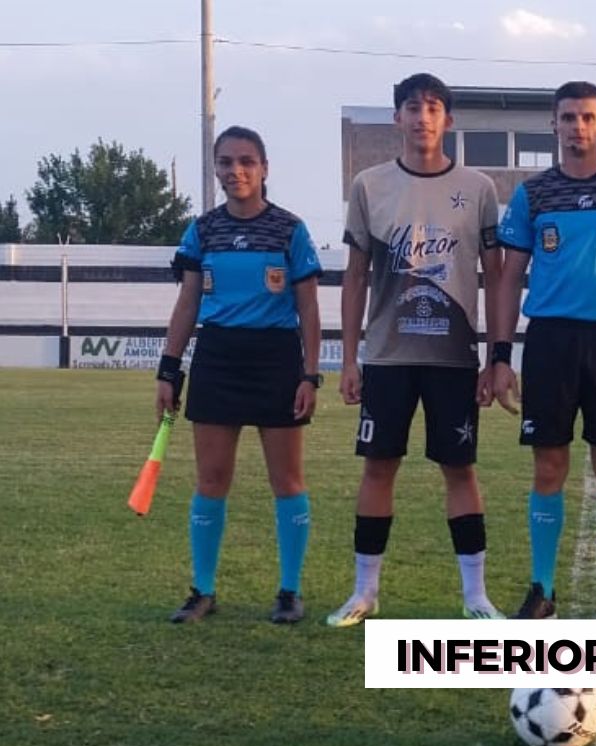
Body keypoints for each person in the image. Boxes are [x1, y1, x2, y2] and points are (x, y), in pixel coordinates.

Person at [326, 73, 505, 626]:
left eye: (432, 107)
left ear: (447, 119)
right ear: (397, 117)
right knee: (378, 468)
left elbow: (497, 278)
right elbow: (355, 277)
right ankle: (365, 592)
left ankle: (475, 596)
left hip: (454, 358)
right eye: (412, 106)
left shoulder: (479, 188)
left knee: (460, 470)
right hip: (387, 356)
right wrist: (350, 357)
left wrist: (496, 358)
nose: (422, 116)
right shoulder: (369, 185)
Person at [491, 81, 596, 620]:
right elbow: (508, 279)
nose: (577, 127)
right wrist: (500, 356)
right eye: (567, 117)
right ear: (554, 125)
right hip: (550, 340)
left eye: (587, 117)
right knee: (549, 467)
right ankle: (541, 590)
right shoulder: (533, 194)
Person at [158, 125, 322, 624]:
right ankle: (202, 590)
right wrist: (168, 369)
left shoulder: (290, 230)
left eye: (247, 161)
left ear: (264, 168)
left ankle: (289, 591)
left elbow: (309, 309)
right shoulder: (202, 230)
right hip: (218, 358)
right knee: (211, 479)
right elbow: (187, 303)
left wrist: (310, 375)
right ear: (216, 169)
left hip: (276, 360)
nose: (236, 170)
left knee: (287, 480)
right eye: (226, 162)